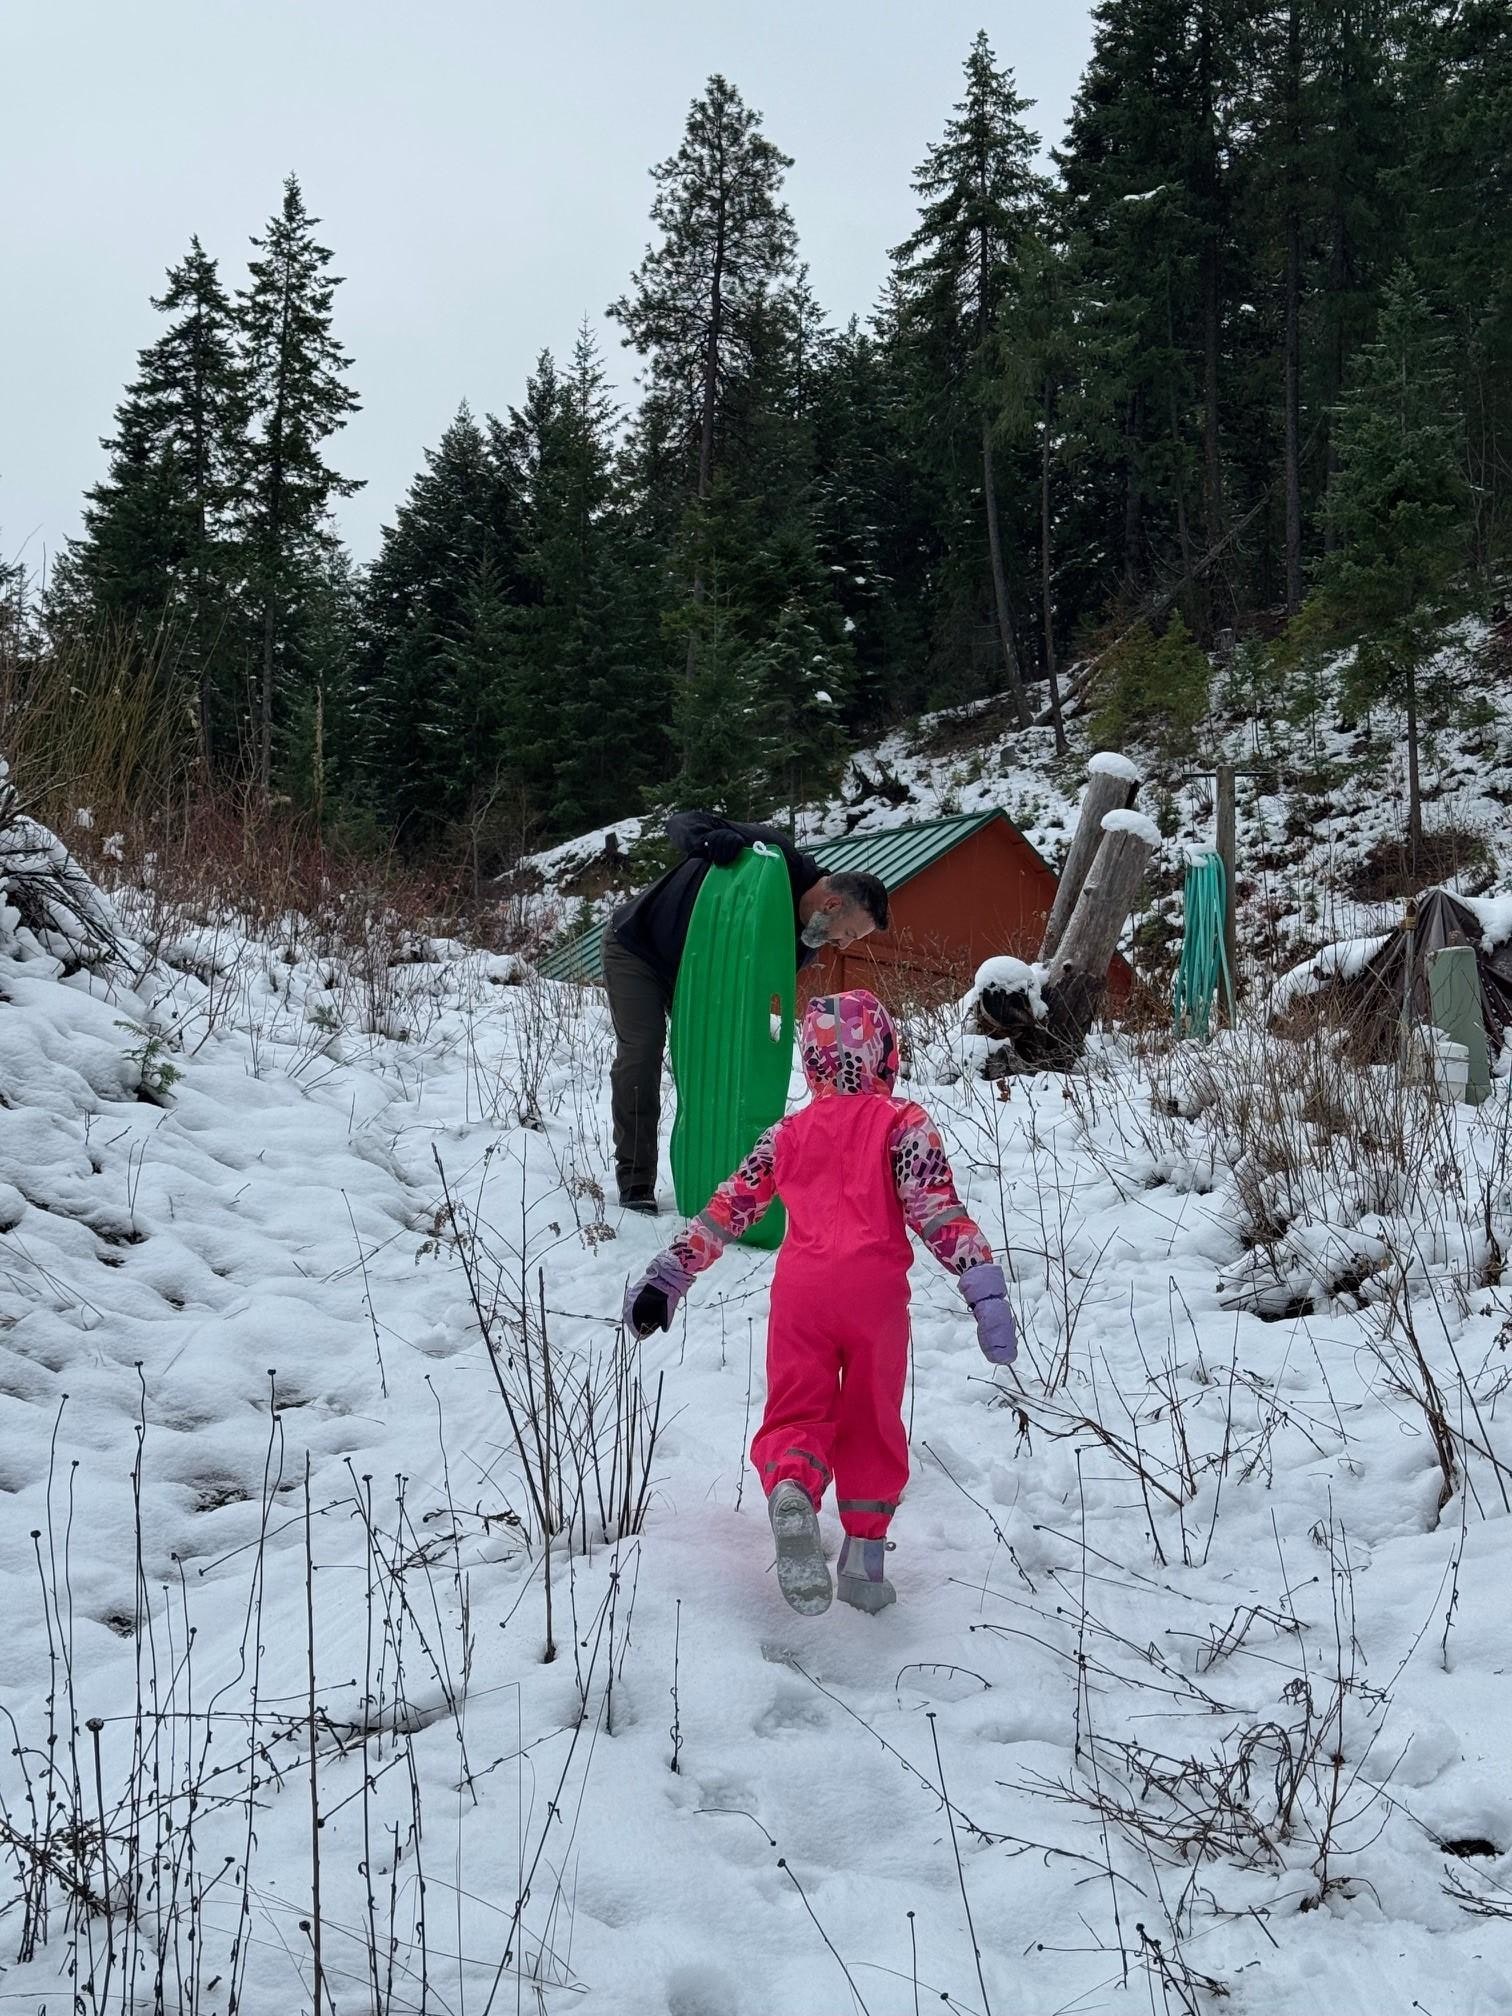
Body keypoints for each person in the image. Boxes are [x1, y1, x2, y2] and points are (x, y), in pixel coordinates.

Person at [622, 988, 1018, 1617]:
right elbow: (938, 1211)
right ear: (886, 1053)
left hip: (802, 1294)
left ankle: (792, 1488)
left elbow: (731, 1207)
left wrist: (672, 1275)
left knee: (796, 1407)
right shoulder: (903, 1124)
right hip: (874, 1297)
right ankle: (863, 1562)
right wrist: (983, 1288)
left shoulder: (788, 1133)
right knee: (871, 1417)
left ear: (810, 1063)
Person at [603, 811, 889, 1213]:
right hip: (641, 949)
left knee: (714, 1066)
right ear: (833, 902)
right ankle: (635, 1184)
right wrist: (713, 844)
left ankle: (714, 1177)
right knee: (643, 1050)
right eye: (847, 933)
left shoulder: (802, 944)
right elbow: (682, 822)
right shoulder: (772, 857)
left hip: (698, 977)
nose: (841, 945)